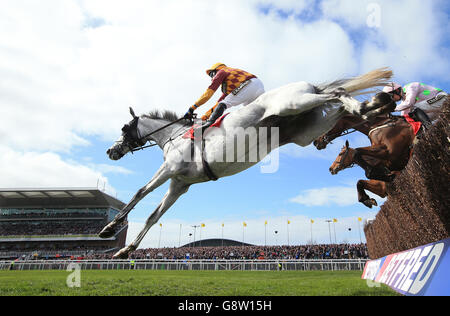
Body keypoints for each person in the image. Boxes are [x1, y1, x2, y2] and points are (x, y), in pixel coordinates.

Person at [185, 63, 265, 134]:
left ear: (217, 70)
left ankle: (209, 124)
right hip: (257, 84)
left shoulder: (221, 72)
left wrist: (192, 108)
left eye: (212, 74)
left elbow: (208, 94)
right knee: (249, 115)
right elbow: (218, 104)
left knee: (224, 104)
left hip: (248, 84)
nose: (212, 77)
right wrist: (204, 117)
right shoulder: (229, 80)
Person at [383, 82, 447, 128]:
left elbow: (409, 103)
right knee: (414, 119)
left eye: (391, 97)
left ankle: (430, 129)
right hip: (436, 110)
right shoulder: (404, 102)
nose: (392, 100)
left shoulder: (411, 87)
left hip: (442, 98)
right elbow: (405, 117)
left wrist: (391, 109)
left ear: (396, 90)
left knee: (415, 108)